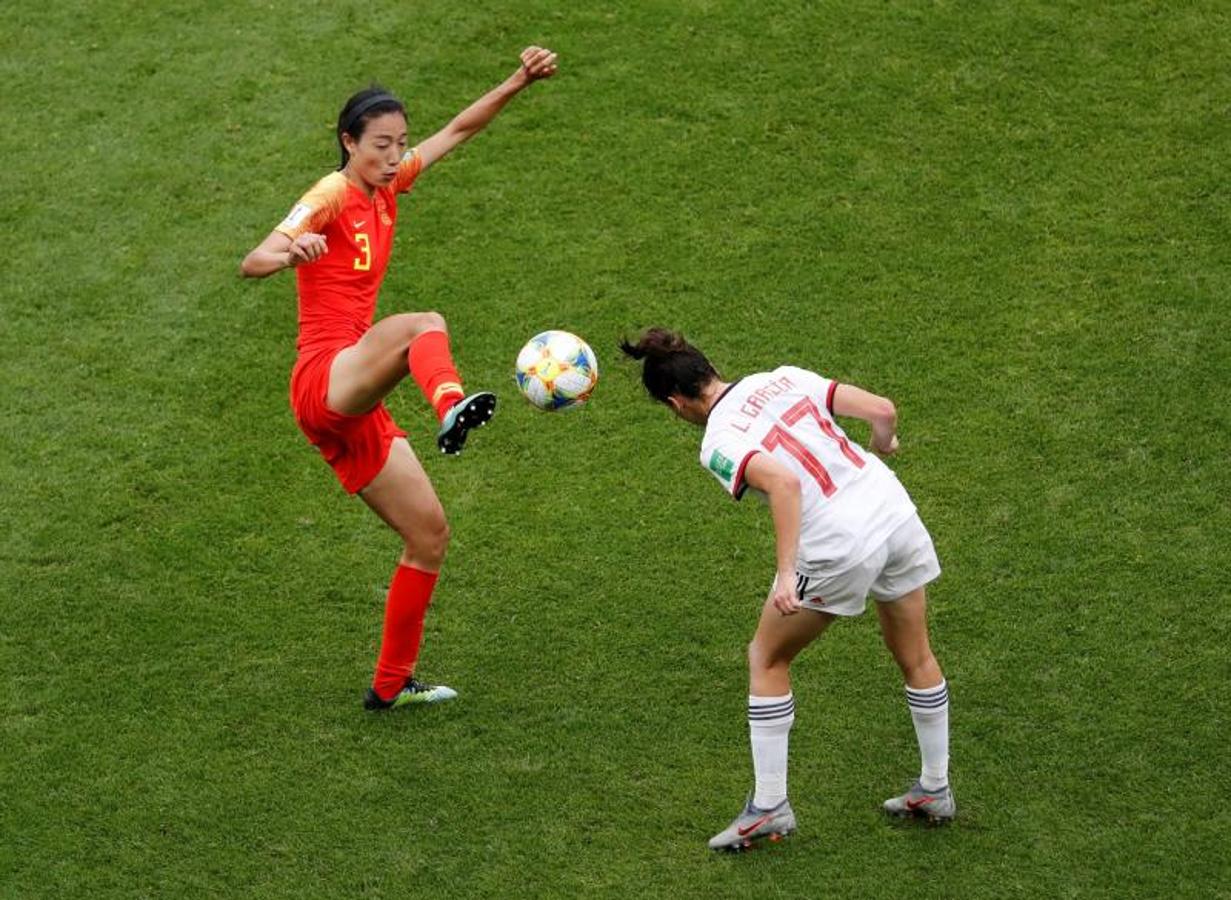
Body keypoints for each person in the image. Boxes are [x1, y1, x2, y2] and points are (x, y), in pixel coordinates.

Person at [241, 47, 558, 711]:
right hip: (325, 376)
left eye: (399, 144)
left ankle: (391, 685)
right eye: (380, 145)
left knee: (429, 536)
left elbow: (459, 131)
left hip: (353, 399)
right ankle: (450, 403)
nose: (393, 155)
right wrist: (288, 252)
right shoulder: (330, 193)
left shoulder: (387, 188)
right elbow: (254, 258)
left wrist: (516, 81)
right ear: (348, 142)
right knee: (422, 324)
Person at [620, 328, 954, 851]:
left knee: (767, 657)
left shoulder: (717, 443)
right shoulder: (782, 377)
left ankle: (770, 807)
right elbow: (882, 410)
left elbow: (785, 484)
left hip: (838, 545)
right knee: (915, 654)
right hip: (893, 513)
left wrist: (784, 573)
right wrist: (884, 442)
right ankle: (935, 787)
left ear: (675, 402)